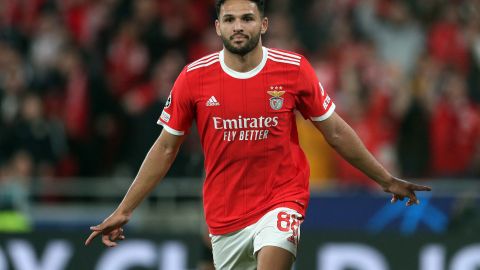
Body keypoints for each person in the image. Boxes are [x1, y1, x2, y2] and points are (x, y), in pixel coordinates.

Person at [85, 0, 431, 269]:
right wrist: (125, 209)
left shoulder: (293, 69)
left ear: (263, 24)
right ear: (217, 26)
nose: (239, 26)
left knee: (275, 253)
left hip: (283, 197)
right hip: (225, 214)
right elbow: (165, 148)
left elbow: (336, 131)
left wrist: (384, 179)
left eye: (247, 18)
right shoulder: (193, 78)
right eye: (231, 19)